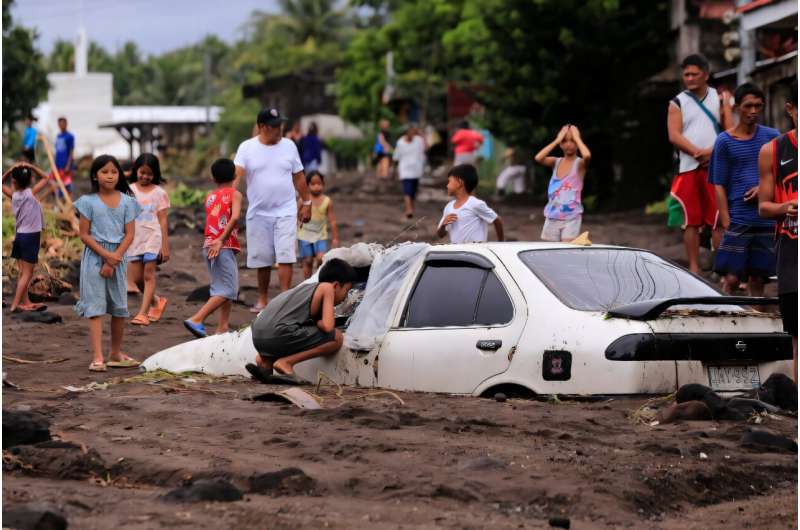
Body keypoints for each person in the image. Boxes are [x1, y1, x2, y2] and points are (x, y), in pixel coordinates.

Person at [234, 107, 312, 313]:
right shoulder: (246, 148)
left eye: (281, 125)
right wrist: (227, 199)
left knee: (286, 255)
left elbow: (299, 176)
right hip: (258, 213)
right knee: (262, 259)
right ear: (261, 127)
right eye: (274, 126)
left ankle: (284, 299)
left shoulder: (289, 146)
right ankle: (263, 299)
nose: (279, 129)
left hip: (286, 210)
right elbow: (237, 175)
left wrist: (307, 203)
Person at [709, 83, 779, 296]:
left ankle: (758, 325)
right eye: (748, 106)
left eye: (758, 106)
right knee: (731, 276)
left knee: (759, 278)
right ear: (737, 107)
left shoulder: (772, 136)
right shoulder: (724, 141)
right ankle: (726, 321)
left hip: (766, 217)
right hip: (738, 217)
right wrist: (726, 220)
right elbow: (718, 183)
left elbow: (784, 174)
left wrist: (763, 188)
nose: (753, 111)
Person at [73, 155, 141, 372]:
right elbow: (84, 235)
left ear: (119, 174)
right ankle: (98, 356)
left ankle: (115, 353)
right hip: (94, 258)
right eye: (104, 172)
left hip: (119, 258)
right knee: (95, 307)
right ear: (95, 175)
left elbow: (129, 234)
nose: (110, 176)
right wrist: (106, 256)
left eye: (114, 171)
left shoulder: (128, 202)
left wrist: (114, 258)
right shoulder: (87, 202)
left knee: (119, 308)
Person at [667, 54, 733, 273]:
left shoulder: (721, 98)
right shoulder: (677, 102)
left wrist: (711, 153)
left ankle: (719, 267)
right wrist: (697, 152)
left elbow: (730, 131)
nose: (690, 78)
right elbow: (674, 135)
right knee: (691, 220)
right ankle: (694, 268)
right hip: (687, 167)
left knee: (717, 218)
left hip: (716, 166)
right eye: (686, 74)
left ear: (706, 74)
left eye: (694, 74)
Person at [245, 257, 356, 383]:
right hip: (278, 333)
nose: (345, 297)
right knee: (337, 337)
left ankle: (265, 363)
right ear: (336, 285)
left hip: (258, 336)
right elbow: (328, 326)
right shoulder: (327, 288)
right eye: (346, 291)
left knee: (292, 332)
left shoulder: (304, 290)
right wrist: (318, 322)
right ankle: (286, 363)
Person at [758, 82, 797, 382]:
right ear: (791, 110)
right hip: (791, 251)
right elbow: (764, 207)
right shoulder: (773, 150)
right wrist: (785, 208)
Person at [184, 159, 243, 338]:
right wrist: (221, 240)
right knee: (229, 290)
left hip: (209, 245)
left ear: (213, 177)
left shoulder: (210, 196)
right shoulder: (235, 194)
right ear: (234, 175)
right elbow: (234, 218)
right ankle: (197, 319)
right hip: (220, 245)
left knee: (222, 286)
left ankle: (222, 327)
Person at [126, 153, 170, 326]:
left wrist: (165, 246)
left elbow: (163, 220)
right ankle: (156, 301)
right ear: (136, 170)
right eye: (142, 172)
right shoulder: (129, 190)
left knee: (148, 275)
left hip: (153, 237)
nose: (145, 176)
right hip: (135, 239)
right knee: (137, 280)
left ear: (155, 174)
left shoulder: (160, 193)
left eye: (149, 174)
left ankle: (142, 314)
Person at [2, 162, 50, 312]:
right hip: (30, 238)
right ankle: (15, 305)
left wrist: (10, 170)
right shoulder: (30, 193)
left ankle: (26, 302)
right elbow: (46, 177)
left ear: (14, 182)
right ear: (30, 181)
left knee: (23, 273)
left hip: (20, 237)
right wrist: (31, 166)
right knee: (28, 274)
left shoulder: (14, 195)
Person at [534, 124, 592, 242]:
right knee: (550, 252)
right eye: (564, 141)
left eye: (572, 141)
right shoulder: (556, 162)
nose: (568, 144)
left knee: (565, 251)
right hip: (552, 216)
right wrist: (556, 140)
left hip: (572, 217)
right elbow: (538, 158)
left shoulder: (580, 164)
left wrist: (577, 138)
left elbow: (587, 155)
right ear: (561, 144)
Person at [437, 164, 504, 243]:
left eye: (449, 181)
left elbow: (497, 220)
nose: (447, 185)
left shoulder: (475, 204)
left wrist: (501, 243)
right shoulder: (449, 207)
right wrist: (443, 225)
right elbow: (440, 234)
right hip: (457, 253)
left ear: (459, 182)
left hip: (476, 253)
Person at [297, 170, 340, 279]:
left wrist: (335, 238)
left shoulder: (327, 201)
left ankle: (318, 280)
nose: (316, 187)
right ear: (307, 185)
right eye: (313, 184)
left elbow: (332, 220)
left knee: (321, 258)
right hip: (304, 235)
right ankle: (307, 283)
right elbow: (296, 216)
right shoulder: (303, 201)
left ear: (323, 184)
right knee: (307, 260)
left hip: (320, 236)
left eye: (319, 184)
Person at [392, 123, 426, 219]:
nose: (412, 133)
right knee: (407, 191)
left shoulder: (418, 140)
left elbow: (425, 148)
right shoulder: (400, 142)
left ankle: (411, 208)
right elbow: (396, 157)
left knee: (413, 192)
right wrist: (394, 171)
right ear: (406, 133)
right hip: (405, 171)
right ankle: (408, 210)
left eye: (413, 132)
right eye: (410, 131)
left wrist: (421, 134)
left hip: (416, 170)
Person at [51, 117, 75, 197]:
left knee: (67, 185)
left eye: (63, 123)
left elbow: (71, 152)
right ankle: (60, 205)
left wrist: (68, 165)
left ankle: (69, 205)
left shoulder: (70, 136)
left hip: (66, 165)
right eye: (59, 124)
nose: (61, 125)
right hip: (58, 165)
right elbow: (57, 151)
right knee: (58, 184)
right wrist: (54, 164)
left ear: (66, 124)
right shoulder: (58, 136)